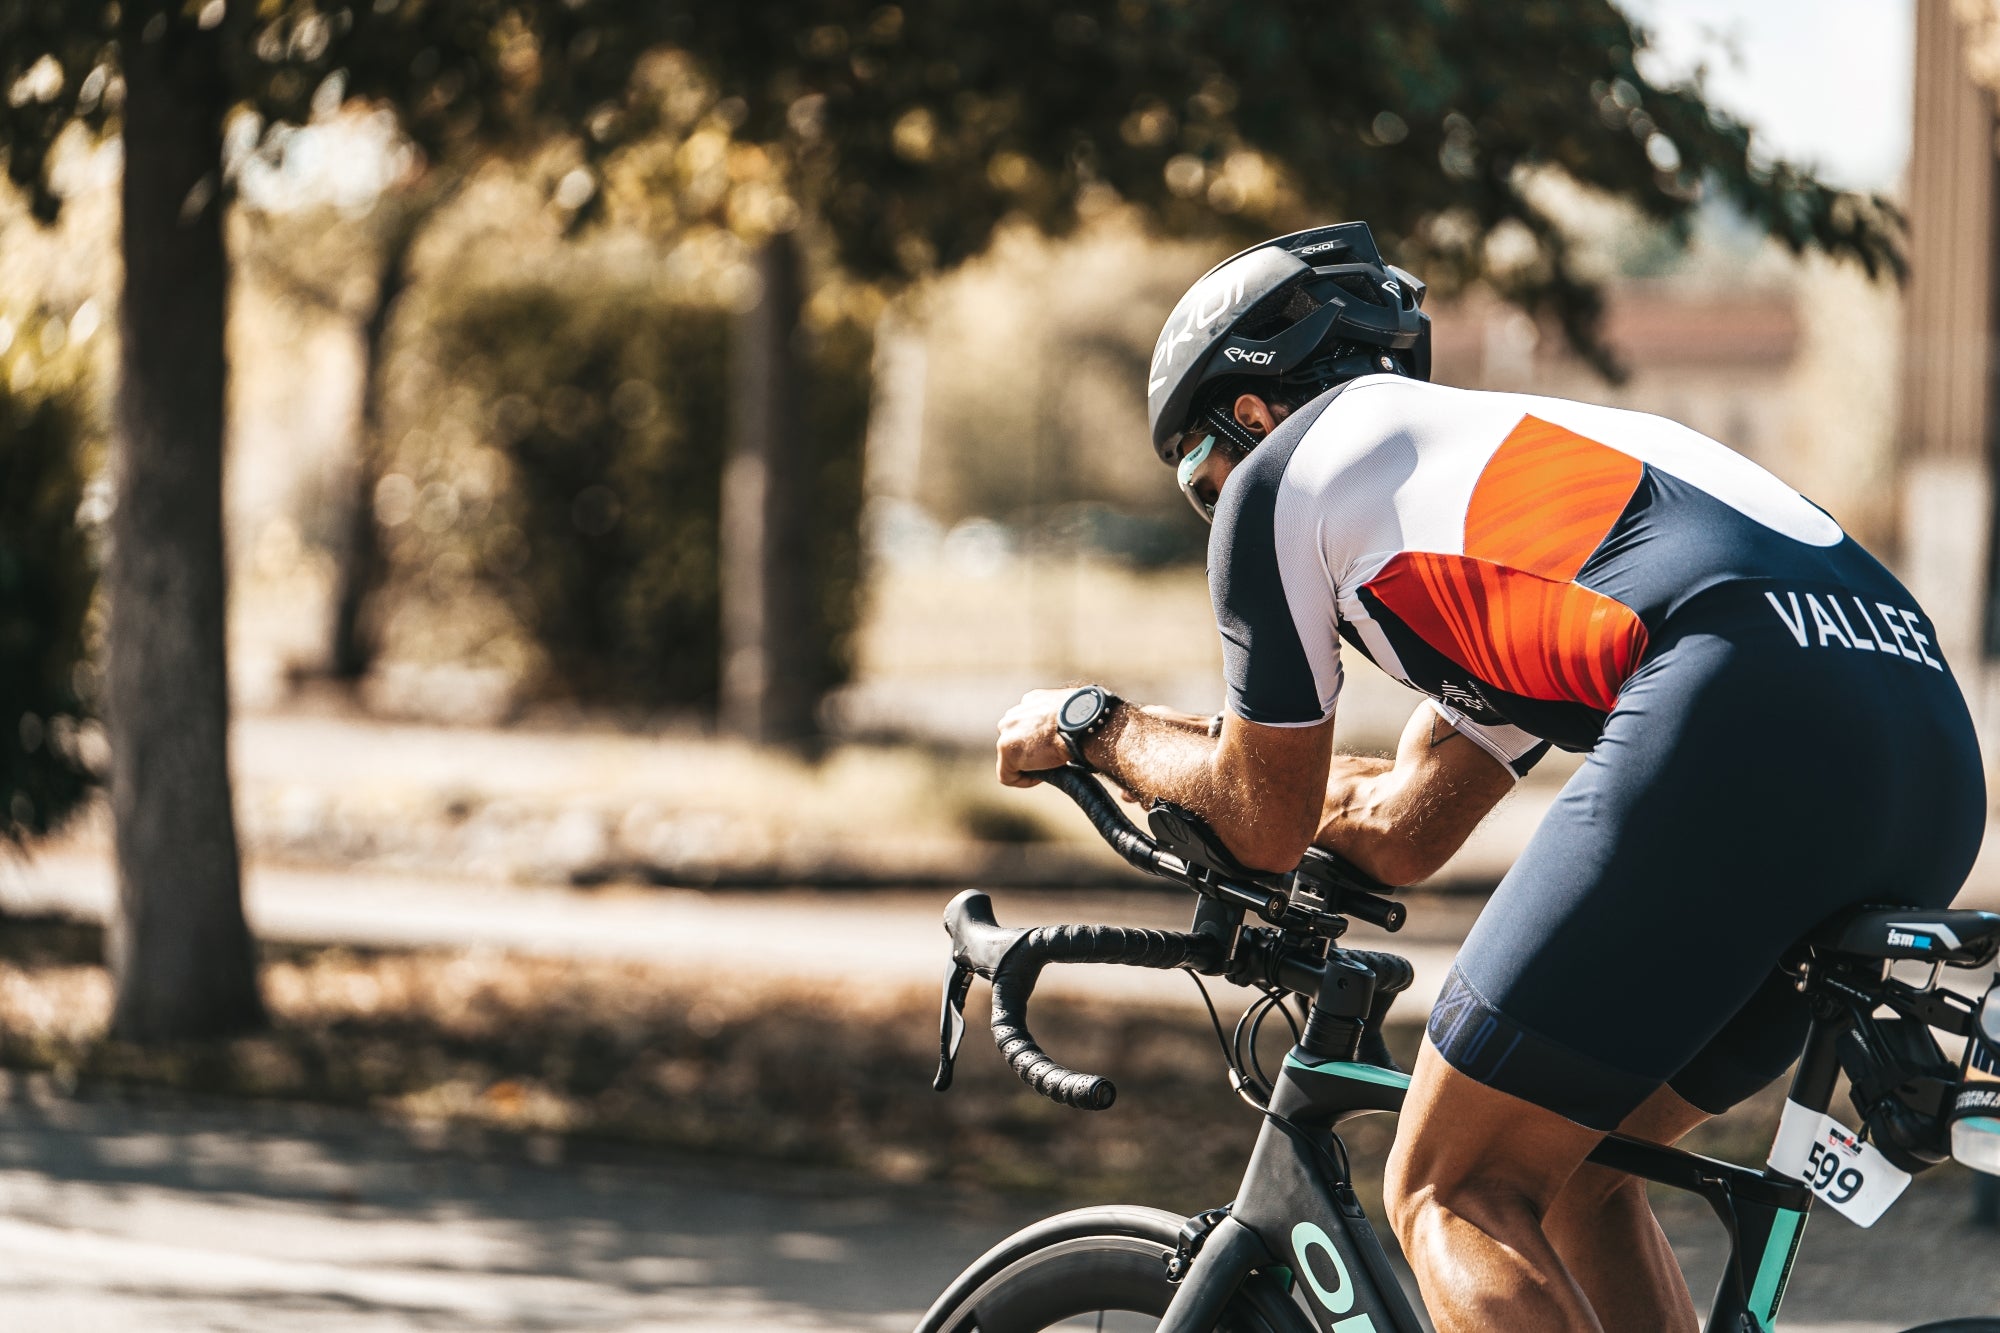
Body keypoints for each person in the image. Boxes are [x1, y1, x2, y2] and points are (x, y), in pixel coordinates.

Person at [992, 222, 1987, 1332]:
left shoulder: (1285, 475)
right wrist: (1204, 753)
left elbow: (1259, 824)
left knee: (1449, 1188)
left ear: (1251, 411)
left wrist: (1097, 728)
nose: (1211, 499)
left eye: (1197, 470)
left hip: (1738, 706)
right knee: (1571, 1176)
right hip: (1926, 751)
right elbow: (1398, 823)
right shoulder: (1494, 495)